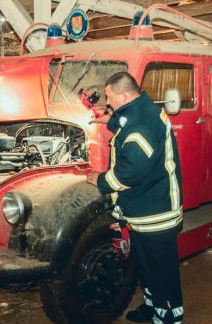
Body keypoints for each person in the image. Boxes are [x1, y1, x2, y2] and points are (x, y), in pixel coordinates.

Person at [86, 72, 184, 324]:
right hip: (145, 208)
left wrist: (99, 179)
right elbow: (125, 122)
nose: (107, 103)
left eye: (109, 98)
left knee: (161, 272)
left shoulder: (141, 126)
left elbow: (130, 173)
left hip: (156, 212)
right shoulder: (142, 108)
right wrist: (110, 120)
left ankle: (169, 316)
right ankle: (152, 308)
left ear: (124, 95)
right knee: (147, 266)